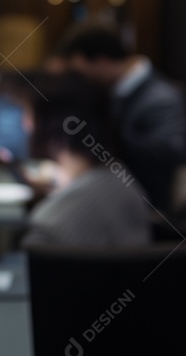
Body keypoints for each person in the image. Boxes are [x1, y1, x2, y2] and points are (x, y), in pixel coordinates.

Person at [56, 23, 186, 212]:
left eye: (80, 73)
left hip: (144, 210)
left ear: (101, 62)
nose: (80, 81)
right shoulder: (114, 92)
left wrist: (106, 135)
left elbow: (171, 154)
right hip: (113, 199)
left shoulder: (160, 98)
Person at [20, 72, 151, 248]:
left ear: (51, 123)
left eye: (29, 115)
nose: (25, 124)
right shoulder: (124, 181)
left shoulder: (48, 222)